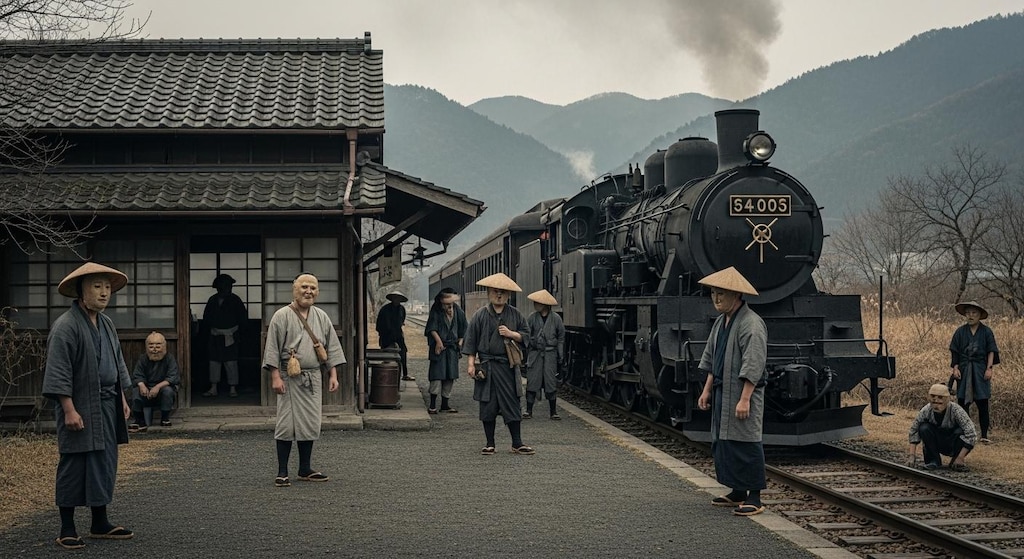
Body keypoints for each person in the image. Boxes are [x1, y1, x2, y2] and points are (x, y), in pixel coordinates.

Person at [41, 262, 135, 549]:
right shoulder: (66, 326)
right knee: (75, 461)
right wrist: (68, 408)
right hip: (80, 405)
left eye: (107, 287)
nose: (104, 293)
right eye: (97, 286)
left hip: (107, 403)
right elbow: (58, 370)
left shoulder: (106, 323)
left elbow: (117, 365)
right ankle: (66, 527)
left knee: (103, 461)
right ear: (81, 291)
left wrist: (122, 399)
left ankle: (99, 521)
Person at [695, 266, 768, 517]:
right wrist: (706, 390)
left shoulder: (751, 324)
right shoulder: (721, 322)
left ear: (736, 295)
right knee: (724, 441)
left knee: (746, 442)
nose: (716, 298)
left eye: (721, 294)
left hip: (741, 393)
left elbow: (753, 363)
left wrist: (745, 398)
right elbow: (711, 359)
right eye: (713, 293)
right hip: (721, 392)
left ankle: (755, 496)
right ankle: (737, 491)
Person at [263, 273, 344, 488]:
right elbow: (272, 347)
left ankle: (305, 468)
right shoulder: (281, 315)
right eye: (304, 287)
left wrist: (333, 375)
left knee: (310, 422)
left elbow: (331, 348)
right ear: (294, 289)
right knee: (286, 425)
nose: (309, 291)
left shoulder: (321, 316)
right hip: (289, 377)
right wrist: (275, 377)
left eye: (313, 288)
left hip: (313, 376)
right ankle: (282, 471)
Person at [462, 273, 533, 455]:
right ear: (489, 293)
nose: (499, 295)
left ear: (508, 295)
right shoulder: (480, 315)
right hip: (487, 367)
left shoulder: (515, 314)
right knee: (488, 406)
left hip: (508, 367)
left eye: (502, 292)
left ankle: (517, 443)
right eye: (495, 292)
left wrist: (511, 334)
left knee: (512, 404)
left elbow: (526, 337)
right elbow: (471, 342)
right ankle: (490, 443)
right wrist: (471, 364)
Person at [948, 301, 1000, 444]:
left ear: (979, 316)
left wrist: (989, 368)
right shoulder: (960, 331)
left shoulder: (986, 331)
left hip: (980, 370)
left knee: (983, 402)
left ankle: (984, 435)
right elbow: (955, 352)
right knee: (962, 403)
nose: (970, 316)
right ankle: (965, 432)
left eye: (974, 313)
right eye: (968, 313)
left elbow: (991, 351)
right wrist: (956, 368)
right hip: (964, 370)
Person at [907, 383, 977, 471]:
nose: (936, 400)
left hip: (953, 442)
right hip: (936, 441)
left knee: (960, 432)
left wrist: (960, 457)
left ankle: (956, 461)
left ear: (947, 399)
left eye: (940, 397)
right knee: (924, 428)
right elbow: (914, 430)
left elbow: (971, 435)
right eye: (933, 396)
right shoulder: (926, 410)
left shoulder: (957, 410)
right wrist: (911, 455)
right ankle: (933, 460)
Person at [202, 273, 247, 397]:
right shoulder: (212, 300)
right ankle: (213, 387)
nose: (226, 288)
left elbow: (243, 318)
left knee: (231, 361)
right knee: (214, 362)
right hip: (215, 335)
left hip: (231, 335)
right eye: (223, 286)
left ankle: (233, 388)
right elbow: (206, 318)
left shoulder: (235, 300)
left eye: (228, 286)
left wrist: (239, 334)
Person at [523, 289, 565, 420]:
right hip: (535, 354)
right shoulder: (532, 318)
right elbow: (526, 335)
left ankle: (553, 411)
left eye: (538, 303)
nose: (535, 305)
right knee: (532, 382)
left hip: (550, 354)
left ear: (545, 304)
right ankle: (529, 410)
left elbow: (561, 337)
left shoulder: (556, 319)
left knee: (550, 382)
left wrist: (560, 354)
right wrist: (532, 344)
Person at [425, 287, 468, 414]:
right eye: (446, 304)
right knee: (436, 376)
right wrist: (438, 341)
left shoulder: (457, 310)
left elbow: (464, 327)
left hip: (452, 349)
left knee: (450, 376)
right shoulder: (436, 310)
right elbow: (431, 328)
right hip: (439, 348)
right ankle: (432, 405)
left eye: (451, 304)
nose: (449, 307)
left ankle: (445, 405)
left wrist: (460, 340)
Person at [128, 331, 180, 432]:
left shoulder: (169, 359)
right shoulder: (143, 359)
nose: (155, 349)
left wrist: (157, 387)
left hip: (162, 390)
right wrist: (142, 385)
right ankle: (139, 420)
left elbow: (173, 377)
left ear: (164, 346)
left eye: (158, 346)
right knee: (135, 391)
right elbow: (137, 375)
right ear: (147, 347)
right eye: (151, 346)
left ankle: (165, 418)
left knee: (168, 391)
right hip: (146, 390)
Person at [376, 291, 413, 381]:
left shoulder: (402, 309)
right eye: (395, 298)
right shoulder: (385, 309)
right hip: (386, 336)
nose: (397, 300)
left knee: (403, 354)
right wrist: (385, 334)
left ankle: (404, 374)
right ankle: (388, 377)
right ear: (392, 299)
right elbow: (378, 325)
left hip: (398, 336)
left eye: (398, 298)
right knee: (387, 357)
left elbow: (401, 321)